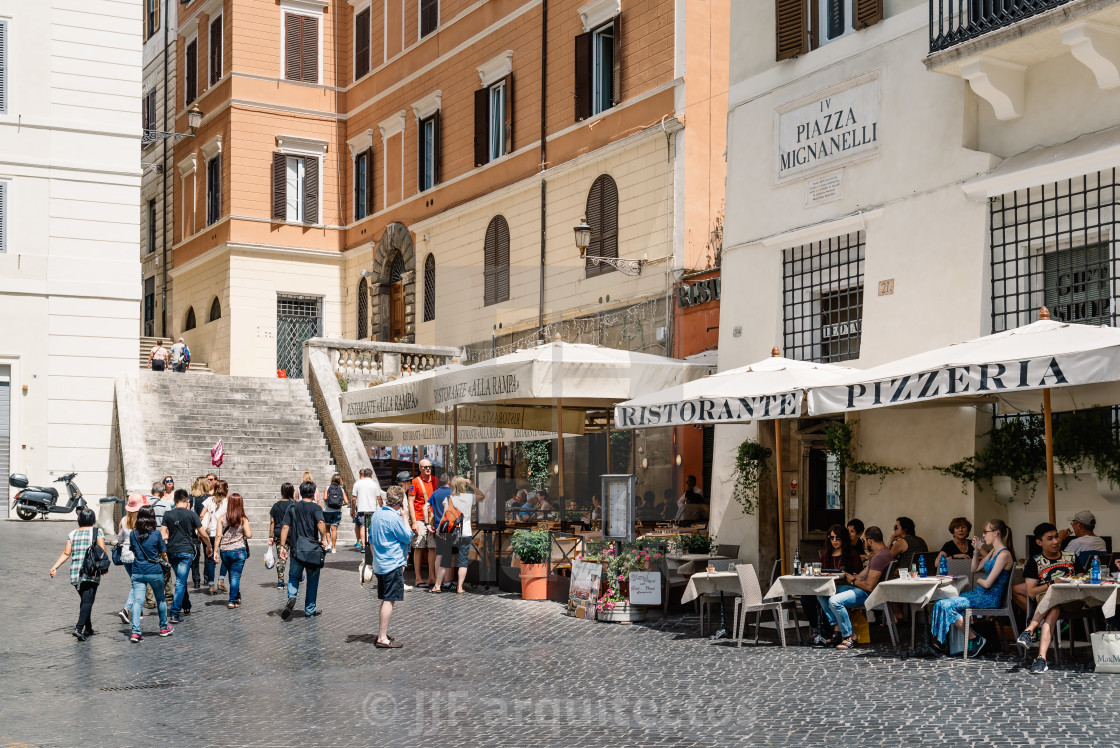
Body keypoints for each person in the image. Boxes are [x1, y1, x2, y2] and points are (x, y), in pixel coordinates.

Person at [930, 519, 1015, 657]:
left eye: (985, 532)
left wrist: (981, 580)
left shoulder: (1004, 554)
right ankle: (942, 642)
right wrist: (976, 550)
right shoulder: (994, 551)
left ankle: (975, 639)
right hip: (979, 594)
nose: (983, 535)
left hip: (989, 598)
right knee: (940, 602)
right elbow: (974, 568)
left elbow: (987, 584)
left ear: (996, 533)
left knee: (946, 605)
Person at [1015, 522, 1084, 674]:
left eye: (1057, 537)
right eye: (1050, 538)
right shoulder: (1035, 562)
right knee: (1053, 609)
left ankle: (1029, 630)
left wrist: (1075, 578)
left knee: (1052, 603)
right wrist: (1053, 583)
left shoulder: (1071, 557)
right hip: (1050, 602)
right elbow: (1032, 592)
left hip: (1072, 600)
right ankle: (1041, 659)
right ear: (1039, 542)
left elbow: (1082, 576)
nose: (1056, 541)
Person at [817, 525, 891, 649]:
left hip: (869, 594)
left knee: (834, 601)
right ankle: (837, 627)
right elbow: (863, 575)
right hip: (861, 589)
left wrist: (852, 581)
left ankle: (849, 636)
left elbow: (869, 586)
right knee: (822, 592)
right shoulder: (882, 553)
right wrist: (853, 577)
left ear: (869, 541)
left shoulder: (879, 557)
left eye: (864, 540)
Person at [48, 507, 107, 641]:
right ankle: (79, 628)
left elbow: (66, 553)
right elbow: (102, 551)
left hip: (75, 572)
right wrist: (104, 567)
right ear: (92, 520)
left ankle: (89, 628)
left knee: (85, 600)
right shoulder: (97, 532)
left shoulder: (72, 533)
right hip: (91, 570)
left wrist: (55, 567)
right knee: (88, 600)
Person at [805, 524, 864, 646]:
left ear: (843, 539)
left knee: (830, 597)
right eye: (832, 538)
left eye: (838, 538)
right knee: (819, 593)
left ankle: (839, 632)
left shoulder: (852, 554)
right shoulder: (825, 556)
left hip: (848, 588)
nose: (835, 541)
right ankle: (836, 626)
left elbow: (859, 575)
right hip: (832, 588)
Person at [370, 485, 413, 648]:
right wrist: (405, 517)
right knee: (389, 600)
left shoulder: (377, 514)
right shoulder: (394, 518)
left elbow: (371, 540)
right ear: (400, 502)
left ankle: (382, 632)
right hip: (392, 563)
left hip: (380, 563)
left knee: (385, 599)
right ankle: (382, 637)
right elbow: (407, 537)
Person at [279, 481, 328, 620]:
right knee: (312, 580)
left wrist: (283, 546)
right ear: (313, 493)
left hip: (296, 550)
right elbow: (320, 523)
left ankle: (292, 596)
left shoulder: (292, 507)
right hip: (312, 550)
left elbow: (285, 527)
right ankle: (310, 609)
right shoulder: (316, 508)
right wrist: (323, 537)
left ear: (299, 492)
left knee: (294, 576)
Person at [162, 489, 211, 623]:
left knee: (180, 580)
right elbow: (203, 534)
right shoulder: (192, 515)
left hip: (171, 551)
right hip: (186, 551)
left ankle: (186, 604)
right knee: (180, 582)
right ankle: (174, 613)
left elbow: (162, 535)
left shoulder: (168, 515)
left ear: (174, 501)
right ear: (187, 500)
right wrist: (209, 546)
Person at [126, 506, 173, 642]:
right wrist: (167, 563)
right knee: (161, 599)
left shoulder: (133, 534)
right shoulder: (156, 534)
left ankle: (135, 632)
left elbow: (134, 552)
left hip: (138, 571)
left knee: (137, 602)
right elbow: (163, 552)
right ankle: (163, 628)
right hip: (154, 571)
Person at [436, 476, 486, 594]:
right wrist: (472, 486)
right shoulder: (470, 497)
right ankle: (459, 587)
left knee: (445, 560)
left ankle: (437, 586)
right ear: (463, 485)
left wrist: (438, 529)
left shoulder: (448, 498)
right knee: (463, 561)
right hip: (466, 533)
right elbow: (482, 496)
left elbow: (445, 516)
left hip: (451, 533)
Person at [213, 493, 251, 609]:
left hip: (225, 550)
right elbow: (249, 535)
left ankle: (237, 595)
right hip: (239, 550)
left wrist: (215, 551)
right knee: (235, 576)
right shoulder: (243, 519)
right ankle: (232, 600)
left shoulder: (221, 518)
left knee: (232, 575)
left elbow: (218, 536)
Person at [116, 493, 145, 624]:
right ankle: (126, 609)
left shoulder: (123, 520)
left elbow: (120, 539)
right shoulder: (142, 521)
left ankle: (138, 610)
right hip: (137, 555)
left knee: (135, 583)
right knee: (138, 584)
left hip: (125, 555)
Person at [409, 460, 438, 587]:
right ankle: (418, 578)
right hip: (420, 518)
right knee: (419, 546)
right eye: (425, 467)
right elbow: (411, 502)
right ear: (420, 468)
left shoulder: (436, 480)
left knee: (432, 547)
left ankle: (432, 577)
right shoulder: (415, 482)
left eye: (430, 467)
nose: (428, 469)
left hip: (433, 518)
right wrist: (414, 522)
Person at [199, 480, 228, 594]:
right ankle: (221, 579)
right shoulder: (228, 501)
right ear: (226, 489)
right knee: (225, 558)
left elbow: (201, 515)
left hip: (211, 533)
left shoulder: (209, 500)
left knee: (210, 559)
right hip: (225, 533)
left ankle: (211, 585)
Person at [268, 482, 296, 588]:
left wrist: (270, 536)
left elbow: (272, 522)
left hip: (279, 533)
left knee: (281, 557)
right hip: (292, 533)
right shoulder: (294, 505)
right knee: (294, 556)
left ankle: (280, 580)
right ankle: (297, 576)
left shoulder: (276, 506)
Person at [351, 467, 385, 551]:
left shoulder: (357, 483)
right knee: (371, 527)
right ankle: (370, 545)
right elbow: (379, 497)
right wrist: (382, 507)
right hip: (372, 509)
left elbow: (353, 498)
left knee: (362, 526)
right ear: (371, 475)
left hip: (361, 508)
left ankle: (363, 546)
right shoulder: (374, 484)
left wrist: (353, 510)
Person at [189, 476, 210, 589]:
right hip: (206, 529)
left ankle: (196, 580)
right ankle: (207, 578)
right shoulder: (209, 498)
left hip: (193, 530)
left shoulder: (190, 497)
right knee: (208, 554)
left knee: (195, 556)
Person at [322, 473, 347, 553]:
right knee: (334, 530)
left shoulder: (327, 487)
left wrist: (328, 503)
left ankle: (328, 544)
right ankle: (333, 548)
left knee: (327, 529)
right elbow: (346, 502)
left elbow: (325, 498)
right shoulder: (341, 489)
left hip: (327, 511)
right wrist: (340, 504)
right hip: (337, 511)